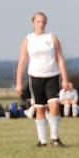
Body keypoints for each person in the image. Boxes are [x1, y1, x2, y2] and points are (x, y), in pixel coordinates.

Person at [15, 12, 70, 147]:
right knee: (40, 108)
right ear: (33, 23)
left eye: (43, 21)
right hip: (35, 77)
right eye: (38, 21)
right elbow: (22, 61)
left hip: (52, 76)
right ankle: (43, 140)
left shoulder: (52, 38)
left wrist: (65, 78)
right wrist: (18, 82)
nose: (41, 24)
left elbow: (60, 59)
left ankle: (55, 137)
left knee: (55, 105)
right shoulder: (28, 39)